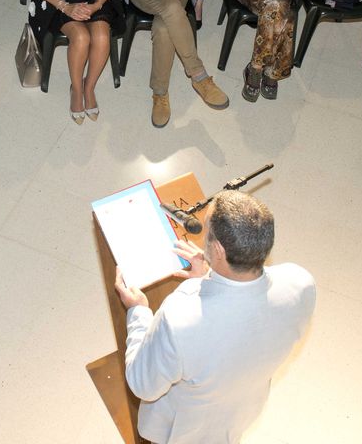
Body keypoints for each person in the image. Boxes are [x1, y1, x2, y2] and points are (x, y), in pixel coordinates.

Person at [115, 190, 316, 444]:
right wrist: (208, 277)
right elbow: (240, 326)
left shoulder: (180, 318)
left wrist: (139, 311)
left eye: (205, 230)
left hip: (183, 430)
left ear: (218, 250)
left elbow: (143, 384)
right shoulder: (300, 283)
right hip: (240, 413)